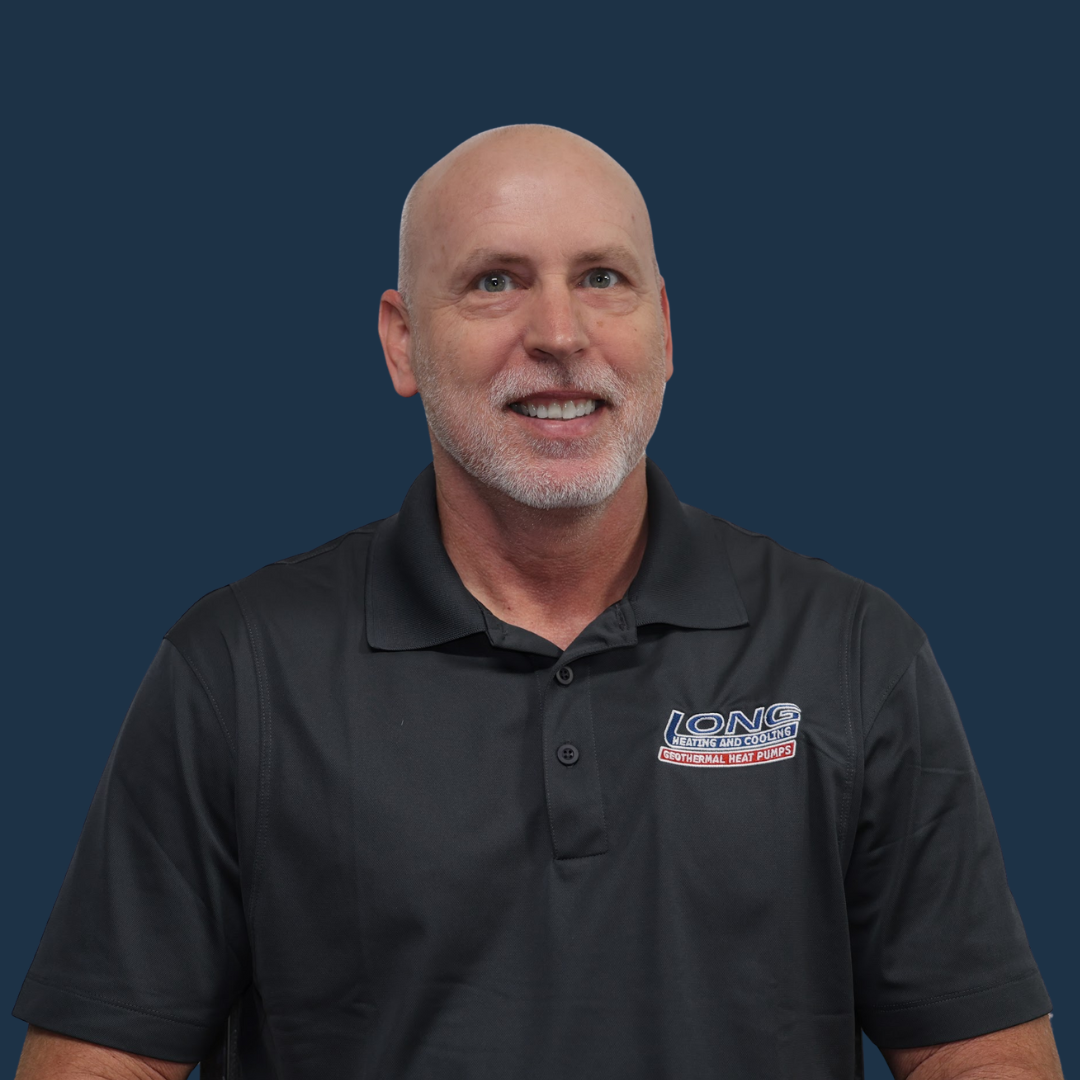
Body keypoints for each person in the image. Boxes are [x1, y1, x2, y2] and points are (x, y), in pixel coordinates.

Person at [13, 125, 1063, 1079]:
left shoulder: (850, 650)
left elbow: (979, 1057)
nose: (559, 332)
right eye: (493, 283)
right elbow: (103, 1063)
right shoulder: (237, 669)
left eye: (600, 278)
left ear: (660, 327)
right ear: (401, 340)